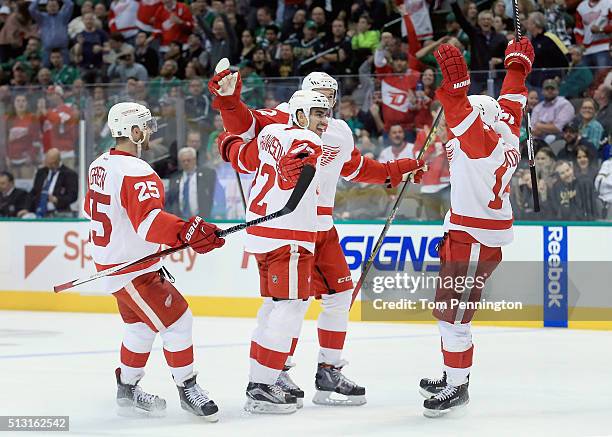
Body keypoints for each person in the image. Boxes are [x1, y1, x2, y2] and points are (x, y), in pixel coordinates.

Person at [209, 66, 426, 407]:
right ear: (302, 99)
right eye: (318, 98)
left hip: (321, 225)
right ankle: (273, 371)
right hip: (292, 227)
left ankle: (329, 369)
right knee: (286, 303)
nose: (324, 105)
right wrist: (229, 105)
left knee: (339, 295)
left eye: (329, 99)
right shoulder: (284, 117)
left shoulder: (337, 130)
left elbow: (353, 167)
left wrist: (394, 171)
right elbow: (245, 125)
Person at [83, 102, 225, 420]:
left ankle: (127, 389)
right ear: (133, 131)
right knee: (178, 321)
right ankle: (187, 389)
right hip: (132, 269)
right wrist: (188, 232)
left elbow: (88, 208)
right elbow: (148, 223)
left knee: (140, 328)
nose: (149, 132)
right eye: (145, 126)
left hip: (115, 266)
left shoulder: (99, 164)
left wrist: (183, 232)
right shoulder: (136, 170)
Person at [418, 37, 533, 417]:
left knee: (453, 315)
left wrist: (454, 90)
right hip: (473, 235)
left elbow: (460, 114)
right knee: (451, 313)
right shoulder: (505, 131)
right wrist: (516, 67)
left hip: (473, 240)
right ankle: (455, 373)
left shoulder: (478, 145)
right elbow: (513, 101)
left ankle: (457, 384)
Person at [219, 90, 328, 413]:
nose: (324, 121)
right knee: (290, 308)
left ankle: (262, 376)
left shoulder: (270, 132)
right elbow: (300, 157)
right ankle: (262, 384)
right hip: (289, 233)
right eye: (318, 114)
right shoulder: (309, 141)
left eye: (326, 114)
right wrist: (290, 171)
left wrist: (228, 143)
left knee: (273, 307)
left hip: (261, 231)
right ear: (301, 113)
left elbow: (245, 155)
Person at [167, 147, 217, 219]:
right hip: (181, 221)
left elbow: (213, 195)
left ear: (194, 160)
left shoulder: (207, 174)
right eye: (183, 161)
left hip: (203, 220)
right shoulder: (174, 179)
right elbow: (171, 201)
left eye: (188, 160)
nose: (186, 163)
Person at [28, 147, 78, 217]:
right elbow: (34, 191)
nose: (48, 165)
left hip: (59, 212)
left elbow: (72, 196)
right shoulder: (41, 172)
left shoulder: (69, 174)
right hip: (38, 210)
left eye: (50, 163)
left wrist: (57, 199)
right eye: (46, 162)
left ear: (56, 162)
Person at [530, 79, 575, 143]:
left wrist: (539, 125)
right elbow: (532, 129)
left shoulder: (565, 104)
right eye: (547, 89)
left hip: (558, 139)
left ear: (557, 91)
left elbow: (558, 128)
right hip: (537, 138)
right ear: (542, 91)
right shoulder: (537, 107)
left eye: (552, 88)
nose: (549, 91)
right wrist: (549, 125)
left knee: (550, 138)